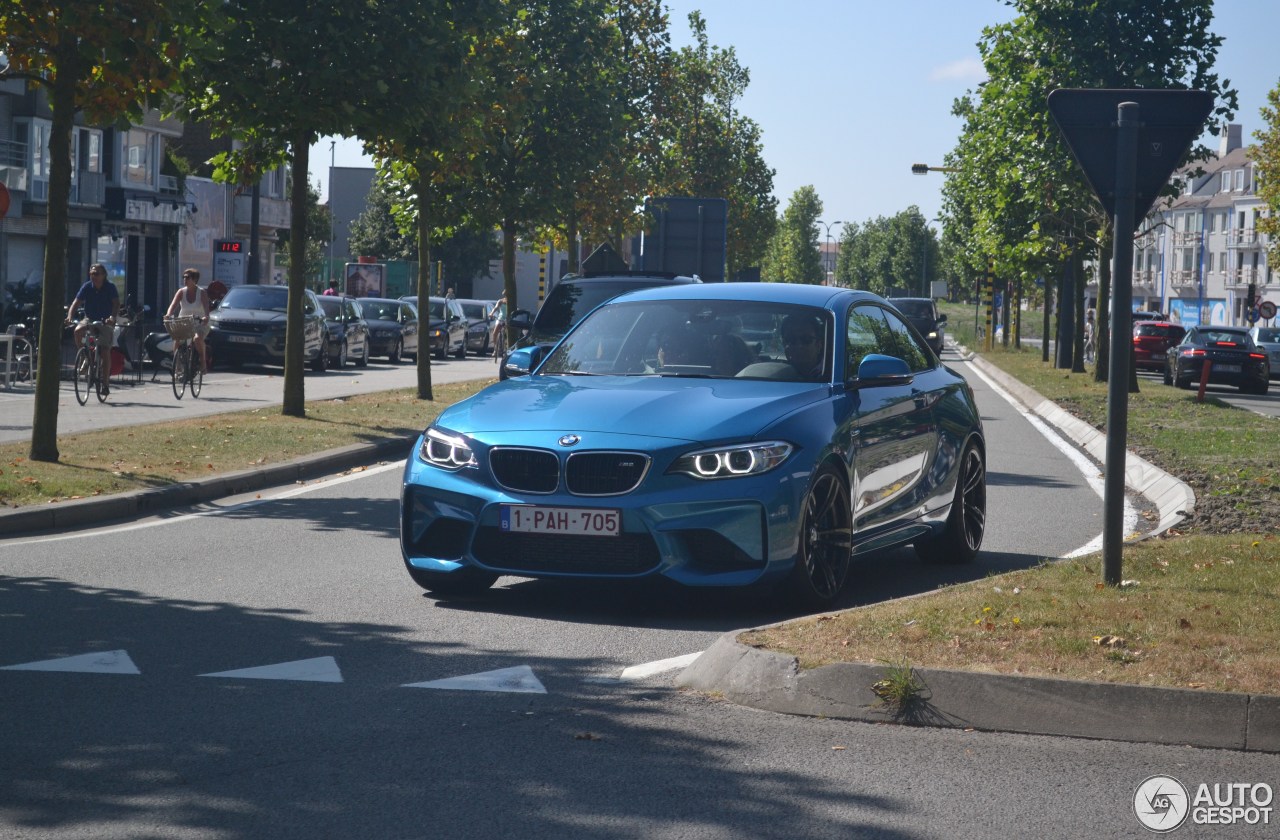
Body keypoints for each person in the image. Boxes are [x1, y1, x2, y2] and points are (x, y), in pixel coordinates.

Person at [65, 263, 120, 395]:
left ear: (103, 275)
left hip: (105, 320)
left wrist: (112, 317)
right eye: (91, 273)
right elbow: (76, 303)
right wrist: (69, 316)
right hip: (89, 318)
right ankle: (85, 355)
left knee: (105, 351)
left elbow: (116, 304)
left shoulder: (110, 287)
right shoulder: (87, 287)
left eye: (96, 274)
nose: (93, 276)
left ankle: (105, 384)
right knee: (78, 330)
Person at [165, 268, 212, 373]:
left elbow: (206, 307)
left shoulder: (202, 292)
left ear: (194, 279)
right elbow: (172, 305)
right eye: (184, 277)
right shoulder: (181, 292)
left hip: (199, 322)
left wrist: (206, 317)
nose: (185, 280)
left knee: (197, 339)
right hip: (184, 322)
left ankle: (203, 361)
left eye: (188, 277)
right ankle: (177, 365)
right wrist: (168, 314)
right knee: (177, 340)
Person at [781, 312, 825, 379]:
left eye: (806, 340)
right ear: (784, 344)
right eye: (791, 339)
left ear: (818, 345)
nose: (799, 346)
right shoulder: (775, 373)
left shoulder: (830, 374)